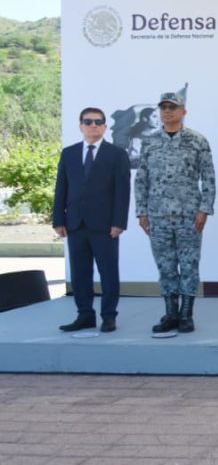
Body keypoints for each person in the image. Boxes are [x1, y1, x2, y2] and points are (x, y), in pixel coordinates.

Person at [135, 91, 215, 334]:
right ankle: (170, 314)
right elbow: (141, 179)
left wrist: (204, 210)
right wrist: (141, 211)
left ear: (183, 112)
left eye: (173, 107)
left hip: (189, 216)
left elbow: (208, 178)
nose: (167, 111)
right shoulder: (149, 142)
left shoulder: (197, 141)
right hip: (158, 216)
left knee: (189, 265)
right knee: (166, 267)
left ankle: (186, 315)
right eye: (164, 108)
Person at [53, 107, 131, 333]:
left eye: (98, 122)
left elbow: (122, 192)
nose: (93, 125)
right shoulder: (68, 154)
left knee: (108, 272)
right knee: (79, 273)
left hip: (105, 226)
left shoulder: (117, 154)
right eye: (88, 121)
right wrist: (59, 219)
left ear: (105, 127)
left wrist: (119, 222)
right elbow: (61, 188)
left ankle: (109, 316)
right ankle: (85, 315)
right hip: (75, 224)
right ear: (80, 126)